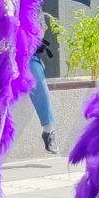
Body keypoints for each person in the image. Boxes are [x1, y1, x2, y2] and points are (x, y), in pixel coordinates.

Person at [31, 16, 59, 154]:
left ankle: (49, 130)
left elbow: (41, 30)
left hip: (27, 55)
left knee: (35, 74)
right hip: (2, 54)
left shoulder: (33, 4)